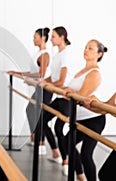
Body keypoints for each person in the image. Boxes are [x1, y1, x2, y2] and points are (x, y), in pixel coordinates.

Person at [62, 39, 107, 181]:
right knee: (67, 142)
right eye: (86, 47)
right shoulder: (82, 71)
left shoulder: (94, 73)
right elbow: (74, 90)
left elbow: (81, 96)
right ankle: (80, 176)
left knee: (86, 154)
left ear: (99, 54)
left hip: (93, 119)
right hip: (80, 118)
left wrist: (70, 93)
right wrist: (67, 90)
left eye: (91, 48)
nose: (86, 50)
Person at [7, 27, 54, 156]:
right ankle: (35, 137)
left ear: (43, 38)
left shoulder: (45, 54)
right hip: (39, 88)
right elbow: (33, 72)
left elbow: (41, 74)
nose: (33, 39)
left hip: (45, 89)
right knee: (30, 110)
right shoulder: (38, 53)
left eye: (35, 37)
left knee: (39, 116)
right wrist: (17, 73)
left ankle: (42, 144)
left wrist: (28, 79)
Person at [39, 26, 79, 175]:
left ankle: (65, 160)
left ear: (62, 37)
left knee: (58, 128)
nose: (51, 39)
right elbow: (54, 77)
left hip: (66, 99)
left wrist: (47, 85)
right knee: (42, 119)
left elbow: (61, 81)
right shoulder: (58, 54)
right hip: (59, 97)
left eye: (54, 36)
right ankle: (57, 154)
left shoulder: (66, 54)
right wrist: (43, 81)